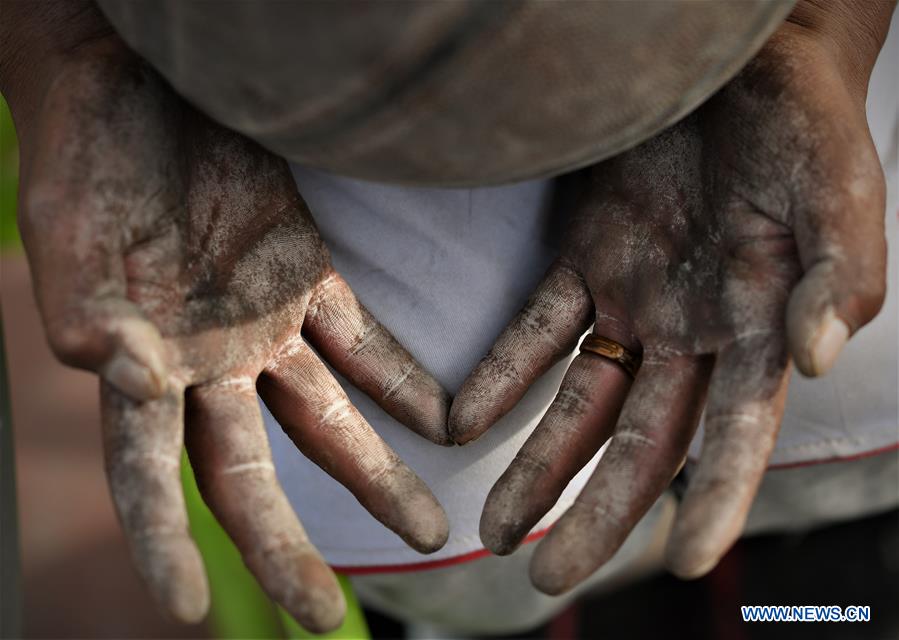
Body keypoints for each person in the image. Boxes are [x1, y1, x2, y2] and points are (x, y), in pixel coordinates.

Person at [1, 0, 896, 635]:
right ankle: (655, 566)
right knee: (460, 537)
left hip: (714, 49)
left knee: (829, 429)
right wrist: (69, 43)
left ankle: (768, 594)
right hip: (258, 86)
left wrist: (813, 26)